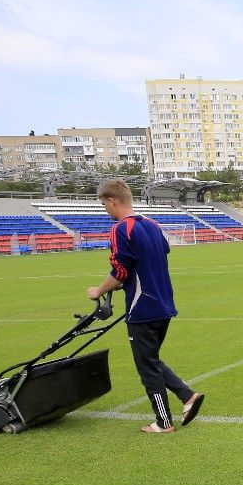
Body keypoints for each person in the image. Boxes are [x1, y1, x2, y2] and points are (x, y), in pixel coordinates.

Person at [85, 178, 204, 433]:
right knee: (150, 358)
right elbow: (150, 260)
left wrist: (98, 290)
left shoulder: (120, 229)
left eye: (105, 205)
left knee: (146, 365)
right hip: (164, 303)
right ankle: (187, 396)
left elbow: (120, 270)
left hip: (143, 307)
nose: (106, 210)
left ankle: (163, 422)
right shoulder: (152, 224)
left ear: (111, 200)